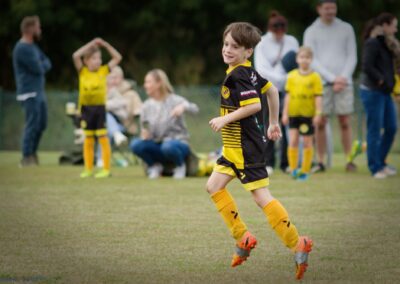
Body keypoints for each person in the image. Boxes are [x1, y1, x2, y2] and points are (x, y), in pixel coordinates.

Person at [206, 22, 312, 280]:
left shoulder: (239, 75)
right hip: (233, 149)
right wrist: (273, 122)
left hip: (245, 148)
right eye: (226, 44)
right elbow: (273, 90)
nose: (228, 50)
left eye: (235, 46)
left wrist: (224, 119)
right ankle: (243, 237)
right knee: (214, 186)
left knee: (261, 197)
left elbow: (253, 106)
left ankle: (298, 243)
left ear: (248, 51)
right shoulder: (248, 72)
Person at [303, 0, 357, 172]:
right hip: (322, 83)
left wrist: (342, 78)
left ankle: (349, 160)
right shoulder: (311, 31)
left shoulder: (346, 28)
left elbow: (352, 56)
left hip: (344, 82)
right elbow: (312, 59)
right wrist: (332, 79)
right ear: (319, 9)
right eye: (327, 8)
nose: (330, 11)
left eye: (333, 7)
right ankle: (320, 161)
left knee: (345, 121)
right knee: (320, 122)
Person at [130, 69, 199, 179]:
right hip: (157, 145)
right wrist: (145, 135)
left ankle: (180, 166)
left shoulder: (175, 100)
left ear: (159, 83)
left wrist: (184, 107)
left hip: (177, 144)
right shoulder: (146, 106)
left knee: (168, 146)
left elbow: (195, 109)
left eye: (148, 82)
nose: (145, 85)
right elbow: (144, 128)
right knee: (135, 144)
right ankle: (154, 166)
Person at [254, 10, 299, 174]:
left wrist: (286, 80)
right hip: (269, 89)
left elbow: (296, 64)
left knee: (288, 124)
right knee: (269, 124)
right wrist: (281, 79)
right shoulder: (262, 42)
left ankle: (286, 163)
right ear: (271, 29)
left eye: (282, 30)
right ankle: (268, 161)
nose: (280, 34)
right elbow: (262, 69)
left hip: (288, 89)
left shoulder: (292, 41)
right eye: (276, 31)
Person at [72, 38, 122, 178]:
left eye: (99, 58)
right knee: (88, 139)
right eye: (94, 58)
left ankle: (106, 169)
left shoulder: (103, 71)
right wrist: (91, 44)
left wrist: (105, 45)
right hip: (86, 109)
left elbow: (118, 57)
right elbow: (76, 56)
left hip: (99, 108)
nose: (98, 61)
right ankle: (88, 169)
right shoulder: (83, 71)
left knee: (103, 138)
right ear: (86, 60)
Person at [359, 13, 398, 178]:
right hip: (372, 91)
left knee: (391, 127)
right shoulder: (373, 43)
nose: (396, 29)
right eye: (394, 25)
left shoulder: (388, 44)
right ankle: (375, 167)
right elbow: (367, 66)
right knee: (374, 129)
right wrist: (381, 80)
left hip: (385, 92)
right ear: (385, 25)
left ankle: (381, 162)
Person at [12, 16, 51, 167]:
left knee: (41, 124)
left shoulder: (33, 46)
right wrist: (41, 65)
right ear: (30, 29)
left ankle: (32, 153)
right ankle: (26, 156)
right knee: (32, 124)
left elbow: (47, 62)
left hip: (39, 91)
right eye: (38, 27)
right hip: (29, 92)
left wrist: (42, 64)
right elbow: (39, 68)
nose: (39, 30)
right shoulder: (21, 48)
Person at [282, 47, 323, 181]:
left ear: (311, 60)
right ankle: (293, 170)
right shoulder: (291, 76)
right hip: (293, 115)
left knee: (307, 142)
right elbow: (287, 96)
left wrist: (318, 114)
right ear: (297, 59)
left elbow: (318, 97)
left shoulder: (315, 77)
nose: (304, 60)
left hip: (308, 116)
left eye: (307, 57)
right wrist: (284, 114)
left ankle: (305, 171)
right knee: (292, 141)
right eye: (301, 57)